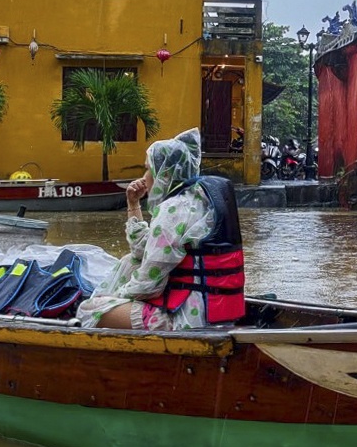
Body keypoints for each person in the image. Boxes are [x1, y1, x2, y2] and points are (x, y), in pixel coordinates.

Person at [78, 128, 246, 330]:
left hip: (186, 320)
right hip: (216, 312)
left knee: (88, 310)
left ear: (164, 173)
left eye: (148, 169)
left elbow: (149, 285)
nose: (144, 176)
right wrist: (133, 205)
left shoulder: (173, 210)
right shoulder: (198, 200)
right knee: (130, 262)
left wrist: (113, 299)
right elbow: (143, 252)